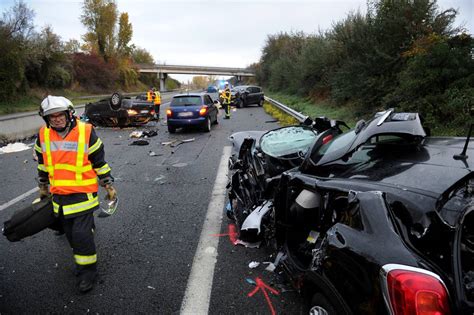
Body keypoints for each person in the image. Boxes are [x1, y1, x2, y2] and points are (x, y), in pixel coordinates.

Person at [34, 95, 116, 293]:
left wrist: (107, 185)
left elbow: (99, 161)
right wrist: (43, 187)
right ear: (46, 119)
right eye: (51, 117)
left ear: (69, 114)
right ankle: (84, 250)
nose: (56, 119)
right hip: (59, 196)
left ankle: (88, 272)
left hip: (83, 195)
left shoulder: (86, 132)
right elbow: (43, 164)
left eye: (59, 115)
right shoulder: (43, 135)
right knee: (70, 234)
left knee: (80, 235)